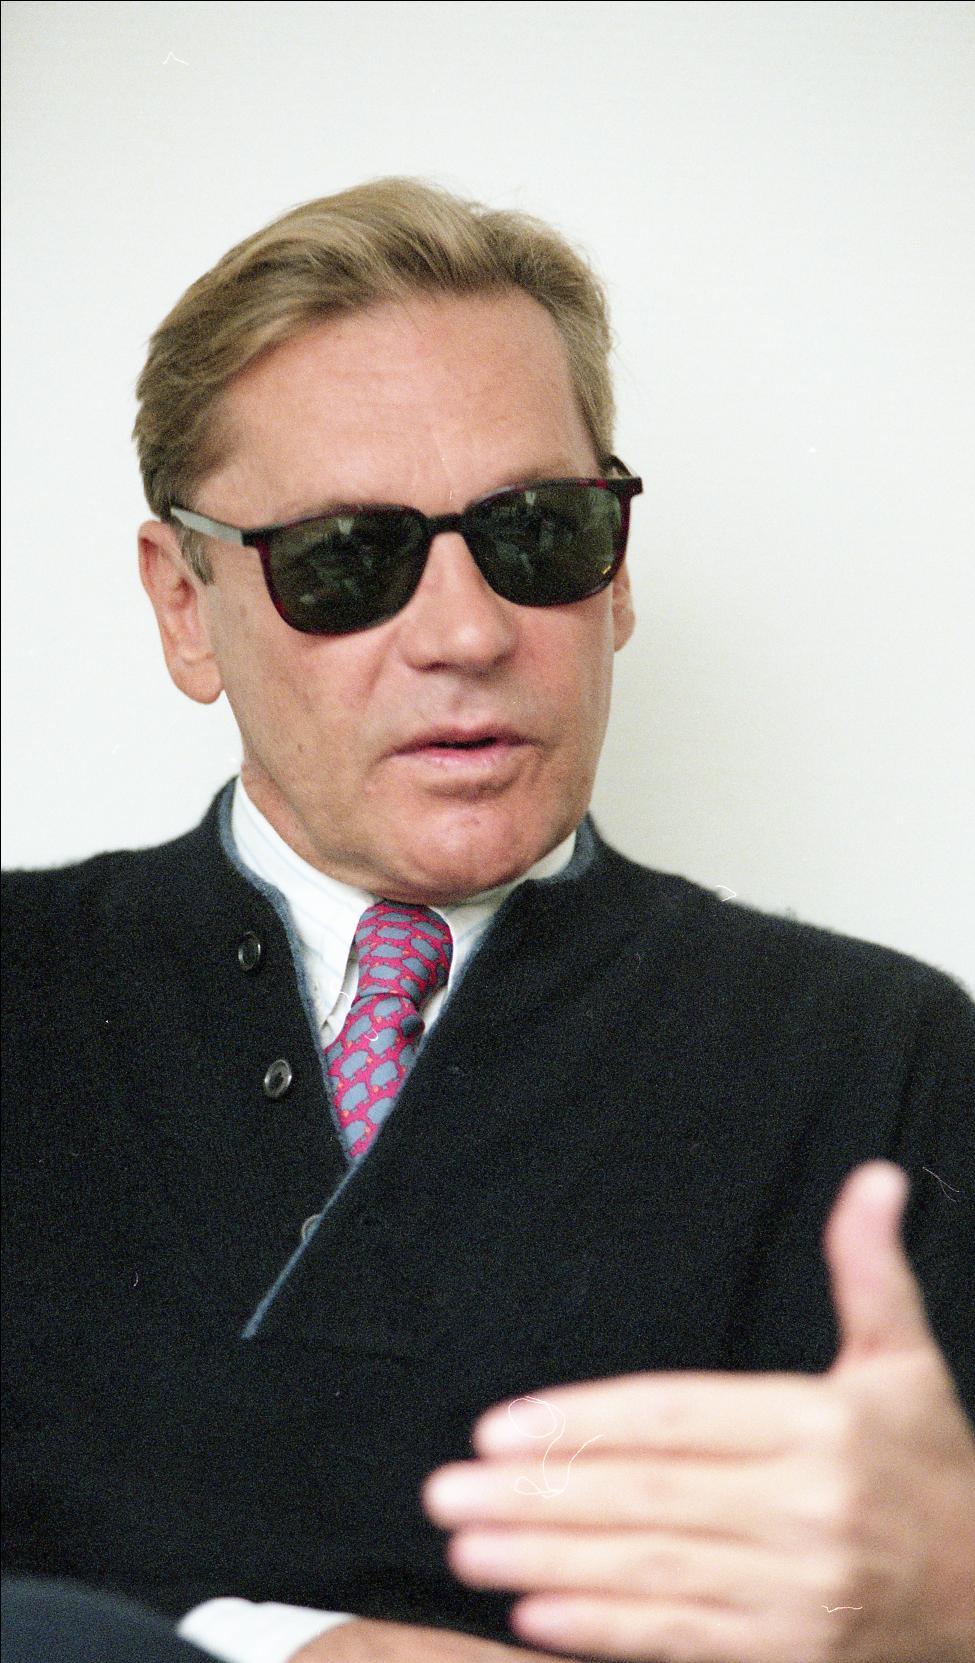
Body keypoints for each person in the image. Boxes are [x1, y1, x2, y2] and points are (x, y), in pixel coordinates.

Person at [2, 177, 973, 1663]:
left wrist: (953, 1601)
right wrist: (277, 1648)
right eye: (346, 557)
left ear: (617, 572)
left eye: (539, 534)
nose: (467, 635)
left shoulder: (885, 1062)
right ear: (185, 606)